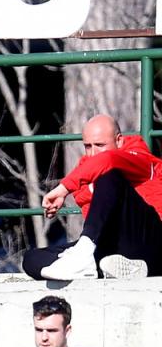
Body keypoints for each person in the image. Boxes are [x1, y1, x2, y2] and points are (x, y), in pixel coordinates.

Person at [31, 114, 162, 280]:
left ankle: (92, 258)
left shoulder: (140, 158)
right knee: (33, 259)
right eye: (87, 146)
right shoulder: (85, 176)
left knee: (109, 175)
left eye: (100, 145)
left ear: (119, 141)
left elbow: (107, 160)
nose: (93, 153)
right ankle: (98, 268)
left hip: (152, 241)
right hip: (114, 249)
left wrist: (64, 188)